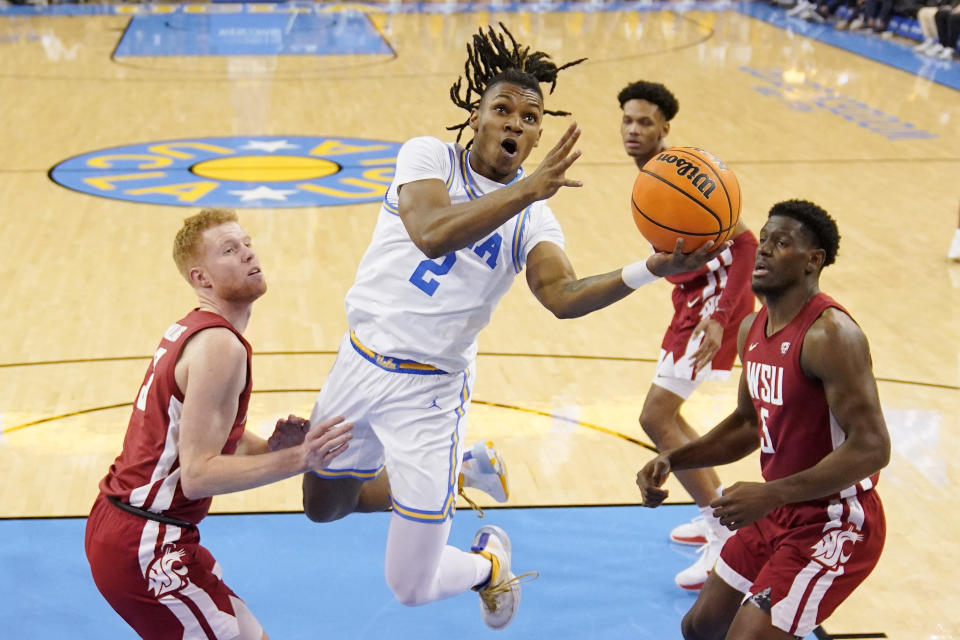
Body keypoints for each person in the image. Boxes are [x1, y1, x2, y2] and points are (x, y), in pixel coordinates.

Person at [297, 24, 727, 631]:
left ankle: (488, 563)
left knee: (412, 587)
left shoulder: (535, 219)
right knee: (323, 508)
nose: (514, 124)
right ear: (476, 116)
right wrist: (525, 191)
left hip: (428, 394)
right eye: (502, 109)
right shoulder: (428, 157)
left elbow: (563, 296)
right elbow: (430, 233)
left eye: (530, 118)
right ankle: (464, 471)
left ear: (539, 135)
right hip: (359, 364)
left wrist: (649, 268)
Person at [84, 208, 354, 640]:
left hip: (128, 526)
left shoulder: (198, 330)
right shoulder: (219, 347)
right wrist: (302, 457)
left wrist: (271, 448)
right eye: (230, 250)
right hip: (147, 541)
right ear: (201, 278)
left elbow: (202, 440)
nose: (248, 254)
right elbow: (197, 475)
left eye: (247, 243)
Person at [637, 199, 890, 640]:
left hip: (834, 520)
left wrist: (771, 493)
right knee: (699, 627)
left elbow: (873, 447)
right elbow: (747, 425)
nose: (764, 250)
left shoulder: (830, 335)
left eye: (781, 243)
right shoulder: (750, 328)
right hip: (779, 512)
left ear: (813, 262)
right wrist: (674, 459)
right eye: (765, 240)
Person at [618, 80, 758, 590]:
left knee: (654, 416)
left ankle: (726, 540)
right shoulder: (650, 174)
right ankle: (713, 508)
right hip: (691, 300)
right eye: (628, 121)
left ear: (664, 128)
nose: (634, 131)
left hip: (714, 306)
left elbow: (746, 242)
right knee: (668, 415)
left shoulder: (688, 172)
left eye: (645, 122)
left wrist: (722, 315)